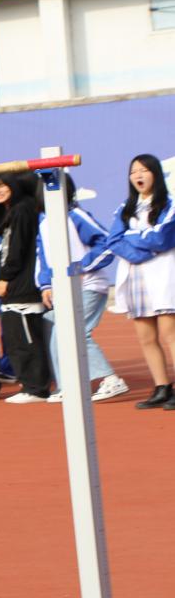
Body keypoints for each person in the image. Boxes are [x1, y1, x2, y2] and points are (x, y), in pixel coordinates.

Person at [36, 175, 129, 404]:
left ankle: (110, 379)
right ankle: (69, 386)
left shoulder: (76, 215)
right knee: (60, 336)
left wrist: (82, 266)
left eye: (56, 188)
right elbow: (43, 258)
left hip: (89, 285)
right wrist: (46, 285)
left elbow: (106, 243)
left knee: (77, 332)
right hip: (63, 291)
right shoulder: (44, 222)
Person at [101, 154, 175, 409]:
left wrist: (134, 240)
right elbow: (113, 240)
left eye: (144, 170)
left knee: (170, 334)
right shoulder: (125, 208)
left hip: (164, 275)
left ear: (155, 173)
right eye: (134, 171)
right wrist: (141, 252)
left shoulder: (169, 204)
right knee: (146, 337)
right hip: (135, 277)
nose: (138, 175)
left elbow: (162, 238)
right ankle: (161, 387)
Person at [0, 173, 50, 403]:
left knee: (25, 338)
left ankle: (36, 388)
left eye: (2, 185)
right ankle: (29, 384)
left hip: (21, 284)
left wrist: (5, 277)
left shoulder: (23, 210)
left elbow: (18, 248)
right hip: (14, 284)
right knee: (14, 338)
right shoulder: (11, 210)